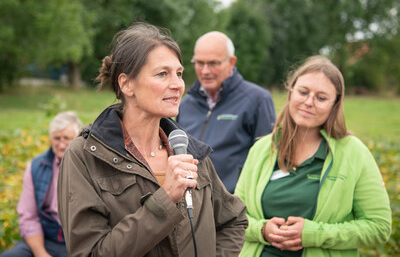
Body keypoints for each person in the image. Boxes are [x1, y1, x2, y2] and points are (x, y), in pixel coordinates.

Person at [57, 22, 248, 257]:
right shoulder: (84, 155)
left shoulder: (188, 150)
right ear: (126, 84)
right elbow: (90, 253)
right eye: (162, 74)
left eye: (179, 73)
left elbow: (234, 219)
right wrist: (165, 199)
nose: (178, 84)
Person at [234, 55, 392, 256]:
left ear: (335, 105)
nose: (309, 102)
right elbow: (235, 217)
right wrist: (262, 230)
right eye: (303, 92)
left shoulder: (354, 153)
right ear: (291, 93)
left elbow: (379, 227)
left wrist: (313, 234)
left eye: (321, 98)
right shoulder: (262, 149)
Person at [176, 31, 276, 193]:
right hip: (192, 204)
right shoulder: (184, 104)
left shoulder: (258, 100)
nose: (205, 71)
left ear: (231, 62)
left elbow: (267, 160)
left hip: (233, 204)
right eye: (200, 63)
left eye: (213, 63)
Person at [0, 111, 82, 257]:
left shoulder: (88, 167)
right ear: (50, 139)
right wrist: (41, 253)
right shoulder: (36, 166)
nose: (62, 145)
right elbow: (29, 216)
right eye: (57, 138)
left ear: (78, 139)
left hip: (78, 243)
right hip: (45, 240)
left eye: (67, 138)